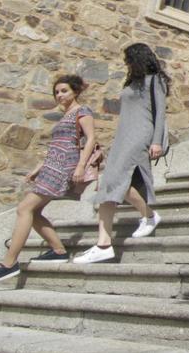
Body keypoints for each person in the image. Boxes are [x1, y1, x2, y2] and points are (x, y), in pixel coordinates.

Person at [0, 75, 97, 284]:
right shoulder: (65, 115)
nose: (60, 95)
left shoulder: (82, 111)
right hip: (51, 166)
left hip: (63, 167)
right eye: (57, 92)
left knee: (24, 209)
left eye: (64, 91)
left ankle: (9, 263)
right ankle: (58, 250)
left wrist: (80, 166)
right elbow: (57, 145)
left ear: (75, 92)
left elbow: (91, 139)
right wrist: (38, 167)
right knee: (34, 211)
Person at [72, 44, 169, 264]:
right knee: (109, 184)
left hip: (140, 135)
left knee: (117, 180)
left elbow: (160, 113)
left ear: (137, 58)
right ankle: (103, 244)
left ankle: (150, 216)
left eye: (127, 59)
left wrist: (156, 141)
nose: (125, 64)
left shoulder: (155, 80)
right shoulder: (131, 83)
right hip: (123, 137)